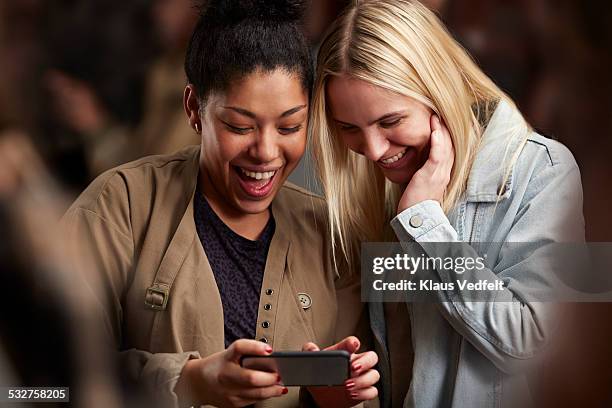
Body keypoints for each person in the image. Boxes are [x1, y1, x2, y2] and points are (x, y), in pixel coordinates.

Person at [63, 1, 379, 407]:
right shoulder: (118, 206)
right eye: (239, 126)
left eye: (290, 126)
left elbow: (376, 389)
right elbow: (40, 384)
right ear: (194, 108)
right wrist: (187, 381)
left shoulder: (331, 237)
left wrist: (334, 398)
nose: (266, 152)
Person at [310, 0, 584, 407]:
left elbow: (531, 339)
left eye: (390, 122)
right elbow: (401, 363)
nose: (372, 149)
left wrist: (426, 225)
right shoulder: (382, 191)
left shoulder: (542, 171)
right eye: (349, 128)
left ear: (437, 88)